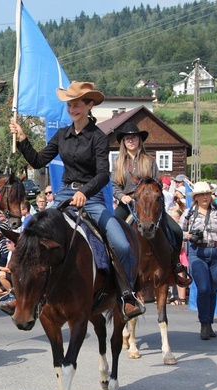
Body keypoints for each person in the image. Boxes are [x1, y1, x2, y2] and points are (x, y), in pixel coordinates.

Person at [9, 80, 144, 321]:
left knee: (121, 244)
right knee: (30, 234)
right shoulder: (63, 135)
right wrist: (22, 139)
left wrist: (85, 192)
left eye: (77, 104)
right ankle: (17, 292)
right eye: (69, 105)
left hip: (91, 199)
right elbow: (39, 161)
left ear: (89, 105)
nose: (72, 109)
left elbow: (104, 174)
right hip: (63, 196)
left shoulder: (99, 137)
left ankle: (127, 295)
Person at [111, 122, 191, 287]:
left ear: (139, 140)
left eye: (133, 137)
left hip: (149, 205)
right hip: (127, 203)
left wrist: (151, 195)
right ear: (123, 142)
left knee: (176, 230)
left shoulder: (149, 161)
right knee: (111, 230)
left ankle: (175, 265)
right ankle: (112, 269)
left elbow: (157, 184)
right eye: (127, 138)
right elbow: (114, 185)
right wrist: (122, 197)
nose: (130, 141)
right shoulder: (118, 162)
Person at [182, 181, 217, 340]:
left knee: (212, 290)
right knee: (203, 289)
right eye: (201, 194)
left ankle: (209, 323)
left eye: (207, 194)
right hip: (198, 252)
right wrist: (189, 236)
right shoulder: (189, 213)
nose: (205, 197)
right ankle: (204, 324)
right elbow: (179, 232)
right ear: (196, 197)